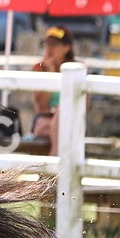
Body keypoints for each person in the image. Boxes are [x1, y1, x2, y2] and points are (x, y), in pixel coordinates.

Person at [30, 25, 77, 155]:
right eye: (47, 44)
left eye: (54, 44)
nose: (49, 48)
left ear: (66, 48)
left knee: (60, 124)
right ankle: (55, 168)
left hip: (68, 119)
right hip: (45, 118)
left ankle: (51, 166)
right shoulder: (39, 68)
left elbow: (84, 105)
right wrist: (50, 72)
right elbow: (40, 106)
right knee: (55, 129)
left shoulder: (76, 69)